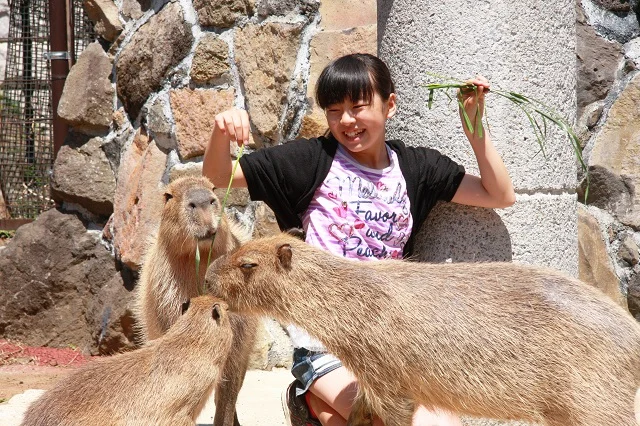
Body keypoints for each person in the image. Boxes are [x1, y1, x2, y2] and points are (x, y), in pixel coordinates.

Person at [203, 53, 515, 426]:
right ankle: (311, 394)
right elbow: (219, 177)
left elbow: (499, 195)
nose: (347, 121)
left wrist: (475, 130)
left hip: (395, 344)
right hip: (326, 347)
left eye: (359, 106)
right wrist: (222, 132)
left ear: (390, 105)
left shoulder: (415, 168)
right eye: (335, 110)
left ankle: (312, 408)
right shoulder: (310, 161)